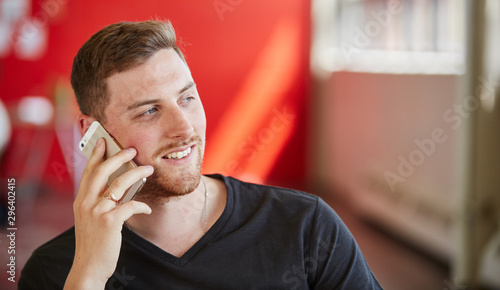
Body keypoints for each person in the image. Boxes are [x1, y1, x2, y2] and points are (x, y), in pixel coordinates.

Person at [19, 20, 382, 289]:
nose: (185, 128)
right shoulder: (56, 270)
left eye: (187, 98)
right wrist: (89, 276)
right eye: (149, 111)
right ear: (91, 132)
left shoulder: (306, 226)